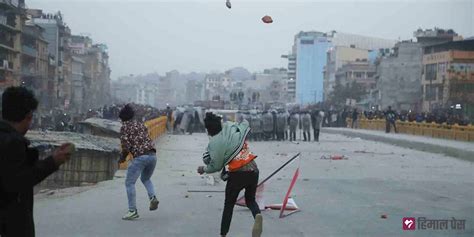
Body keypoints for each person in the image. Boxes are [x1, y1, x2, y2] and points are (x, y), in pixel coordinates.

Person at [0, 87, 72, 237]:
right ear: (29, 116)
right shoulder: (13, 143)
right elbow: (19, 180)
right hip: (11, 224)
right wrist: (53, 161)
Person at [197, 112, 263, 237]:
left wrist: (203, 169)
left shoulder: (215, 142)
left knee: (229, 204)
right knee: (250, 200)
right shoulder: (231, 127)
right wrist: (240, 124)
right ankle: (257, 214)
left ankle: (223, 234)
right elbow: (245, 123)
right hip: (253, 169)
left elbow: (216, 166)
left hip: (238, 174)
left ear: (208, 130)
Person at [118, 104, 159, 220]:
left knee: (129, 183)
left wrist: (122, 158)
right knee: (145, 178)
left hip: (140, 157)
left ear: (122, 118)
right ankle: (152, 198)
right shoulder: (140, 124)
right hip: (152, 155)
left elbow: (125, 146)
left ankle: (132, 210)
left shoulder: (124, 127)